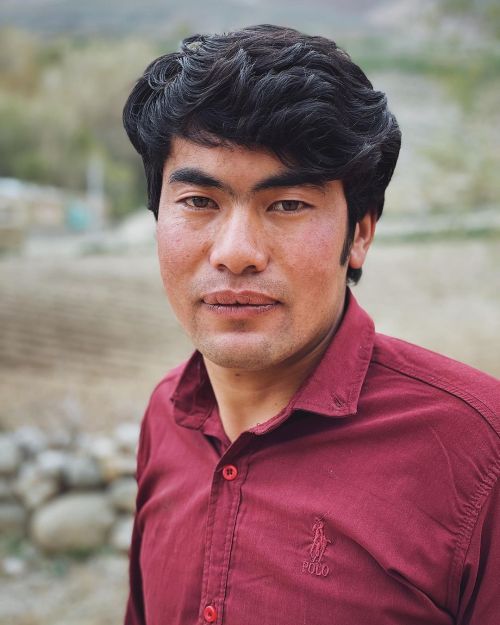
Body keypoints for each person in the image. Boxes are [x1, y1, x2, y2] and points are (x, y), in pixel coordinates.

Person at [122, 24, 500, 625]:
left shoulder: (478, 451)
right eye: (199, 202)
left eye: (288, 204)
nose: (236, 252)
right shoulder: (166, 414)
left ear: (360, 233)